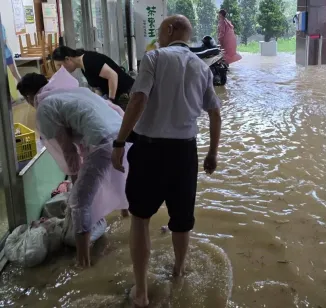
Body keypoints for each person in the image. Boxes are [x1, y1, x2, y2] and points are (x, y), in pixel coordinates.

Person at [111, 15, 222, 307]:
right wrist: (212, 153)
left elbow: (137, 101)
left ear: (170, 30)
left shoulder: (154, 58)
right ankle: (179, 271)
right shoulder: (202, 66)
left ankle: (141, 292)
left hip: (149, 151)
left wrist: (120, 142)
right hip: (185, 154)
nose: (159, 37)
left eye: (161, 31)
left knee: (140, 219)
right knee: (182, 222)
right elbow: (215, 113)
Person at [16, 68, 130, 267]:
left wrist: (76, 184)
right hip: (123, 136)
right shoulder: (68, 92)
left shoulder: (45, 107)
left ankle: (82, 262)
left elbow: (68, 150)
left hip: (103, 142)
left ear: (28, 97)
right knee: (119, 179)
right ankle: (126, 217)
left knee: (78, 203)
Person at [52, 46, 134, 107]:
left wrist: (110, 100)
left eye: (60, 65)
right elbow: (98, 87)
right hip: (119, 96)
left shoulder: (89, 60)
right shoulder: (83, 67)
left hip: (128, 94)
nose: (60, 69)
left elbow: (113, 76)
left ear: (67, 59)